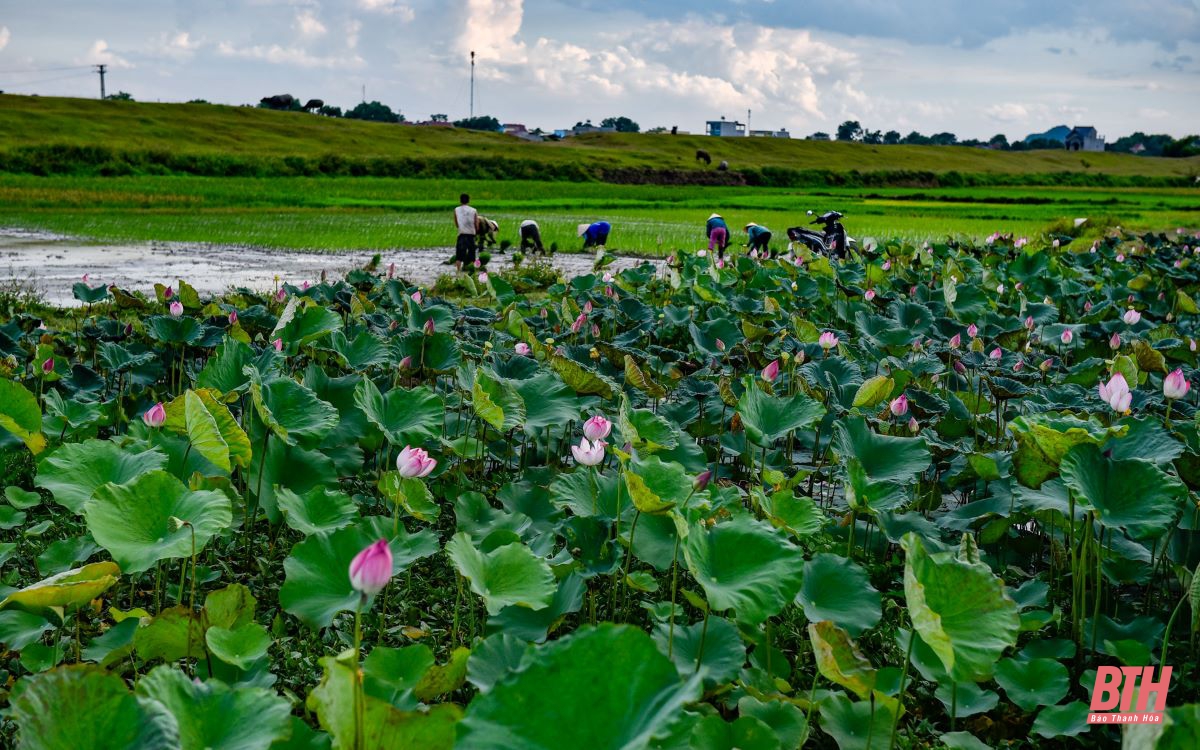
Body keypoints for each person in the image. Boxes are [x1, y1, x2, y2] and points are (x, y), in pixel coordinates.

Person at [453, 194, 478, 272]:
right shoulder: (474, 210)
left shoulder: (456, 210)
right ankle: (474, 270)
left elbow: (457, 224)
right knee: (472, 255)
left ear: (460, 200)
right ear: (468, 200)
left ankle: (458, 271)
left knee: (459, 255)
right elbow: (476, 224)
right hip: (471, 235)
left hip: (462, 235)